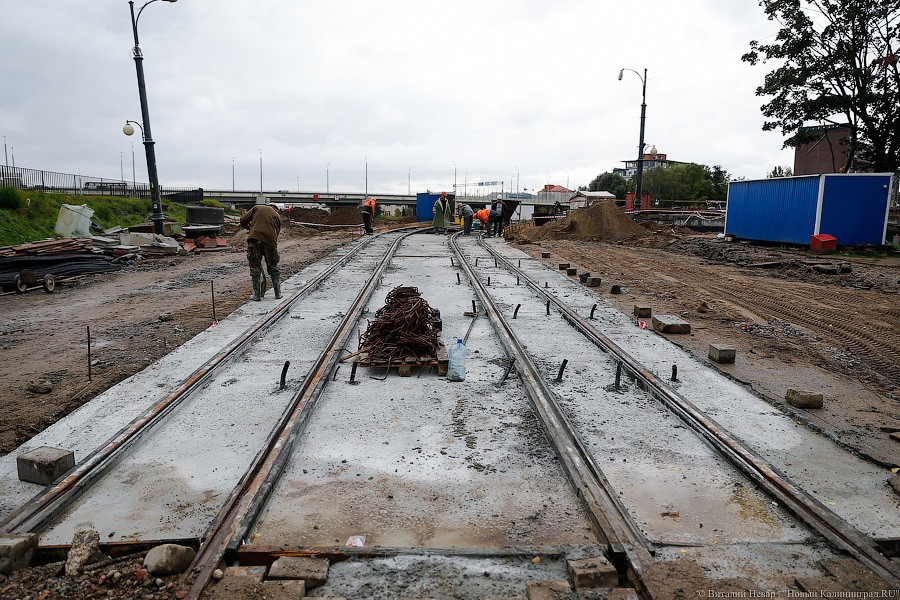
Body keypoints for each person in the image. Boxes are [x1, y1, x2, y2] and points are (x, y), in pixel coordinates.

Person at [239, 203, 282, 301]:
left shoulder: (257, 208)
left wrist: (250, 227)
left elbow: (242, 220)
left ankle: (257, 295)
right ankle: (277, 294)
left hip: (254, 240)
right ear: (276, 209)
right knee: (273, 266)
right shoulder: (278, 216)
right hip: (270, 242)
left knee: (254, 266)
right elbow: (277, 234)